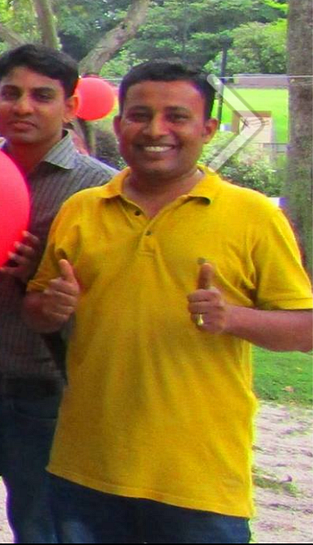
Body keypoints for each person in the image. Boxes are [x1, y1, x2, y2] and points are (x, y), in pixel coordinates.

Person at [24, 60, 312, 543]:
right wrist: (49, 307)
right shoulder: (82, 210)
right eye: (140, 115)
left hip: (199, 483)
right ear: (120, 125)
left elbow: (304, 329)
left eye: (177, 117)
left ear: (208, 129)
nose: (156, 130)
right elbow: (36, 309)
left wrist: (231, 317)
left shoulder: (253, 215)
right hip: (85, 471)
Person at [0, 44, 114, 544]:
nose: (23, 107)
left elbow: (112, 304)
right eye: (10, 93)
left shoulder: (98, 192)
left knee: (39, 529)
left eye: (42, 96)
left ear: (71, 107)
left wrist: (38, 273)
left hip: (45, 397)